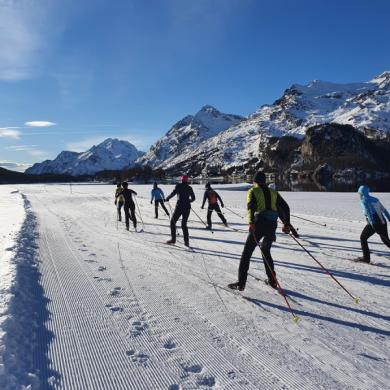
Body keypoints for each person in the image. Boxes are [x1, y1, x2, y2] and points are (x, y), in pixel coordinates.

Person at [228, 171, 291, 291]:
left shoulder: (253, 191)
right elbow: (285, 207)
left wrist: (251, 223)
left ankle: (241, 283)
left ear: (255, 181)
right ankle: (272, 281)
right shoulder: (273, 192)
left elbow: (251, 207)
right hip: (272, 225)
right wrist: (287, 224)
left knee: (247, 253)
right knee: (265, 250)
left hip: (259, 223)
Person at [355, 185, 390, 263]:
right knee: (386, 240)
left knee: (363, 238)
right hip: (383, 222)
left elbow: (369, 213)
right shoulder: (375, 199)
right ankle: (366, 258)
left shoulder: (364, 201)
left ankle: (366, 258)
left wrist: (373, 224)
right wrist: (389, 218)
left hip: (374, 222)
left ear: (361, 193)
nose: (359, 195)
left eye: (359, 193)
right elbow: (384, 210)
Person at [165, 175, 195, 247]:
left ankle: (173, 239)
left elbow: (173, 193)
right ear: (187, 180)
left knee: (173, 222)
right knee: (184, 225)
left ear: (181, 180)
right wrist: (188, 201)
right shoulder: (190, 188)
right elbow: (193, 198)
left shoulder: (178, 186)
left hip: (179, 207)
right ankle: (186, 242)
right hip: (187, 208)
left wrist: (167, 198)